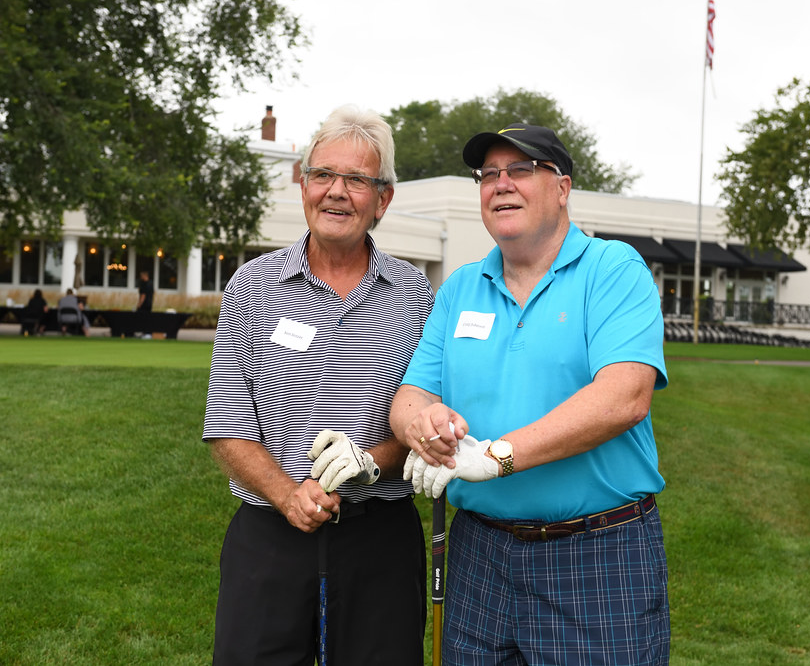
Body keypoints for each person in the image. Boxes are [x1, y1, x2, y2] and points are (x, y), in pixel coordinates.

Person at [391, 123, 670, 665]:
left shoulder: (613, 270)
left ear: (561, 187)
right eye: (488, 174)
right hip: (479, 556)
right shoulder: (460, 288)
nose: (501, 184)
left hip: (595, 554)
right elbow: (411, 396)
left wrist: (499, 457)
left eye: (521, 170)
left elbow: (624, 396)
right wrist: (425, 428)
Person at [202, 104, 435, 665]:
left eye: (357, 180)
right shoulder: (253, 286)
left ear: (383, 199)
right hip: (270, 532)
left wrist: (371, 461)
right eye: (323, 175)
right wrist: (288, 495)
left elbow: (427, 420)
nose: (336, 192)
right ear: (303, 186)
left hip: (379, 537)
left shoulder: (416, 296)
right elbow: (227, 426)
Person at [135, 270, 154, 339]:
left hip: (144, 305)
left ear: (145, 276)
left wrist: (139, 304)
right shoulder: (151, 283)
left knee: (142, 318)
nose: (141, 277)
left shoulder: (144, 284)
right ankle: (147, 332)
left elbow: (143, 295)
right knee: (148, 318)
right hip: (149, 304)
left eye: (141, 276)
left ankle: (145, 332)